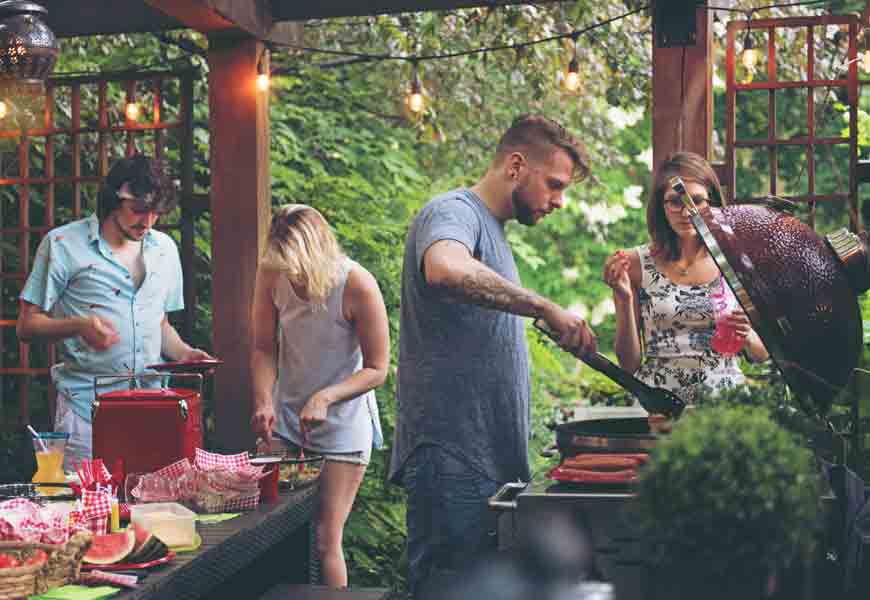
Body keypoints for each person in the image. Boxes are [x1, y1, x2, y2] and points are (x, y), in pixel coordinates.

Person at [389, 114, 597, 597]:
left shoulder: (495, 233)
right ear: (516, 165)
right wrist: (543, 306)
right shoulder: (452, 211)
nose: (559, 201)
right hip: (454, 457)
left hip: (488, 462)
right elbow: (444, 268)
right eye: (554, 184)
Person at [17, 155, 212, 471]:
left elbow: (159, 323)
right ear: (112, 200)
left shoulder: (164, 249)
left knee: (152, 499)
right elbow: (27, 326)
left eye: (156, 212)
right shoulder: (63, 244)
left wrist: (184, 353)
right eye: (138, 209)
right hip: (87, 411)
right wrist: (79, 325)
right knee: (86, 500)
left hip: (154, 408)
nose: (147, 221)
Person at [250, 203, 389, 589]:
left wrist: (326, 397)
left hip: (342, 427)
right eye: (284, 266)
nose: (290, 275)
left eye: (296, 267)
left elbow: (378, 368)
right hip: (286, 419)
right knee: (272, 535)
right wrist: (263, 401)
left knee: (326, 539)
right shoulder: (271, 271)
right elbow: (263, 347)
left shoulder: (357, 284)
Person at [602, 151, 769, 406]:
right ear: (661, 206)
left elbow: (761, 354)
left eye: (697, 200)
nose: (686, 211)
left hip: (726, 406)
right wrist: (624, 299)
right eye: (675, 201)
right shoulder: (635, 264)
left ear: (712, 203)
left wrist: (747, 336)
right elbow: (628, 364)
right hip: (659, 406)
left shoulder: (736, 261)